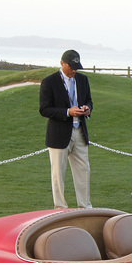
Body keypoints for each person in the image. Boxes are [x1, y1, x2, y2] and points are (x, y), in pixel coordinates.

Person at [39, 49, 93, 208]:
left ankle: (85, 207)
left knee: (84, 172)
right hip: (58, 135)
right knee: (58, 175)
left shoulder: (83, 80)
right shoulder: (49, 82)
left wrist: (87, 109)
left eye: (76, 67)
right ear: (62, 63)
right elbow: (44, 109)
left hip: (80, 132)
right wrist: (67, 112)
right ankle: (60, 208)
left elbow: (89, 101)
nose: (74, 71)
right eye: (71, 67)